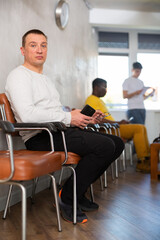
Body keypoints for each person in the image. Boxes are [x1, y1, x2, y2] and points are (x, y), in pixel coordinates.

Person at [5, 29, 124, 224]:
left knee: (116, 143)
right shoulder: (18, 76)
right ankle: (68, 198)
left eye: (43, 45)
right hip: (40, 137)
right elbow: (27, 114)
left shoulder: (45, 79)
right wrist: (69, 117)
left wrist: (84, 118)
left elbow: (55, 110)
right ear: (23, 50)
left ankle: (76, 191)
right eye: (33, 45)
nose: (39, 49)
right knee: (104, 146)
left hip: (58, 131)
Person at [85, 78, 151, 173]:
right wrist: (118, 123)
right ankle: (142, 162)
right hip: (109, 130)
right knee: (139, 128)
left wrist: (119, 122)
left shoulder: (98, 100)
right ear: (96, 87)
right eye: (104, 87)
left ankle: (149, 158)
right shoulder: (91, 100)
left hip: (114, 127)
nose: (106, 90)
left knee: (142, 127)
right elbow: (97, 119)